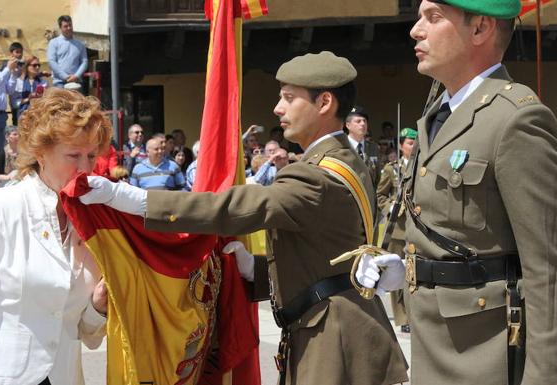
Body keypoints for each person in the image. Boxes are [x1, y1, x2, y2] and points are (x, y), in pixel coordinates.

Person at [80, 51, 408, 385]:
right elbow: (324, 256)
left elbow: (236, 207)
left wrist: (134, 199)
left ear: (324, 102)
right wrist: (258, 269)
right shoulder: (346, 161)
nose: (278, 108)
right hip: (343, 326)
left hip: (333, 343)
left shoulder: (316, 176)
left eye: (289, 98)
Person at [356, 1, 557, 384]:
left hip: (485, 356)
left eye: (433, 18)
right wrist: (408, 269)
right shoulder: (438, 116)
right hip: (434, 344)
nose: (415, 30)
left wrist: (545, 377)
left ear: (480, 29)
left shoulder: (516, 120)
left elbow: (549, 273)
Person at [0, 88, 110, 385]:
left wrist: (97, 305)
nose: (85, 168)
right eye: (74, 155)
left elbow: (81, 328)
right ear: (40, 153)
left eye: (92, 155)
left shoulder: (93, 221)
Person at [375, 127, 416, 333]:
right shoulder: (392, 169)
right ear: (401, 146)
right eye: (409, 143)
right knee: (396, 271)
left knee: (414, 272)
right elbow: (380, 195)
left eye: (416, 142)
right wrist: (390, 206)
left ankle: (414, 313)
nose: (414, 146)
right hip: (398, 228)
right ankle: (402, 317)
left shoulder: (422, 165)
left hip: (417, 227)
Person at [47, 15, 88, 89]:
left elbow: (84, 61)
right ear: (60, 28)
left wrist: (76, 76)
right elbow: (52, 62)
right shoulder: (54, 43)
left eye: (70, 25)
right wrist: (65, 76)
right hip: (60, 83)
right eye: (65, 26)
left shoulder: (80, 44)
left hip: (76, 82)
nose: (69, 28)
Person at [345, 106, 379, 187]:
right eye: (358, 121)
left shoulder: (373, 147)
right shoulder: (342, 146)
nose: (363, 124)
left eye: (364, 121)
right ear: (348, 125)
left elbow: (378, 177)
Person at [11, 54, 49, 122]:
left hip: (40, 116)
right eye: (34, 65)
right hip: (23, 117)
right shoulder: (19, 82)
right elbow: (14, 103)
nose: (37, 67)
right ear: (27, 66)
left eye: (39, 65)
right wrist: (28, 99)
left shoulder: (43, 82)